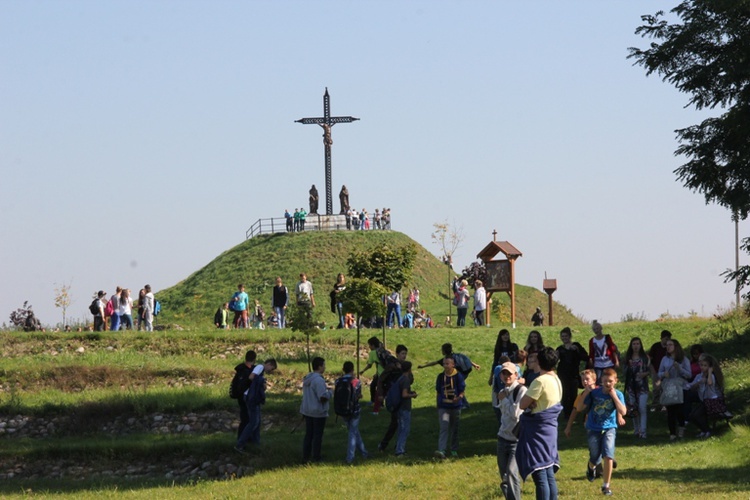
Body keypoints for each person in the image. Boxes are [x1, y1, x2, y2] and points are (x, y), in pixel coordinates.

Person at [516, 346, 563, 500]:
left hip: (538, 431)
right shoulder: (556, 379)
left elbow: (522, 403)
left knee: (539, 473)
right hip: (550, 429)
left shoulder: (540, 381)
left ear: (539, 362)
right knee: (548, 470)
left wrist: (530, 401)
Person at [577, 367, 627, 497]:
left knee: (608, 455)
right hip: (593, 428)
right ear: (601, 380)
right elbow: (579, 407)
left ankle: (606, 486)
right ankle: (591, 466)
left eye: (610, 381)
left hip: (609, 427)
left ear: (615, 381)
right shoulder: (595, 393)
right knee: (595, 456)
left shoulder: (618, 394)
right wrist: (586, 394)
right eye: (605, 381)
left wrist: (614, 396)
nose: (608, 384)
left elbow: (623, 411)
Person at [496, 361, 527, 500]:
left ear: (516, 375)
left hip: (517, 441)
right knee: (504, 477)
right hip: (502, 438)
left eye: (509, 373)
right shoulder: (502, 392)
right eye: (504, 373)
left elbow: (516, 413)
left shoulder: (521, 390)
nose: (507, 376)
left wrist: (504, 400)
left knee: (511, 472)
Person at [235, 358, 278, 452]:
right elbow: (251, 377)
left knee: (257, 422)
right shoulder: (260, 367)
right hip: (251, 398)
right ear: (269, 364)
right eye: (271, 368)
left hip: (253, 398)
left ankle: (256, 443)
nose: (270, 371)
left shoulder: (260, 369)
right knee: (253, 422)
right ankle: (240, 444)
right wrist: (262, 381)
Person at [656, 338, 691, 440]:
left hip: (681, 387)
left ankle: (681, 429)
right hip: (669, 387)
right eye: (667, 345)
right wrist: (663, 374)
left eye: (670, 345)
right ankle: (672, 433)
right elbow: (659, 373)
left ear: (676, 346)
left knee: (680, 410)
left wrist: (679, 368)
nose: (668, 347)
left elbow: (689, 375)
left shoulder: (684, 359)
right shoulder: (664, 359)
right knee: (670, 410)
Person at [377, 345, 409, 452]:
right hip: (393, 396)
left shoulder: (405, 366)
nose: (404, 356)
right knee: (395, 422)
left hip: (403, 396)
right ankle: (383, 444)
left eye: (405, 354)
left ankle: (398, 445)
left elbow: (410, 380)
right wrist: (380, 394)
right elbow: (381, 379)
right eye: (402, 354)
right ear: (397, 354)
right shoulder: (391, 366)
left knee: (401, 423)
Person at [300, 356, 332, 463]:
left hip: (308, 410)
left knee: (309, 434)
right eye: (324, 365)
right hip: (318, 412)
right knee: (317, 435)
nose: (325, 367)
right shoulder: (318, 380)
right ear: (319, 366)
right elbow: (322, 397)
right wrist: (330, 393)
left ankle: (306, 456)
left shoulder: (307, 378)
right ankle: (316, 456)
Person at [336, 361, 368, 464]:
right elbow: (358, 396)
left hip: (342, 410)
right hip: (354, 410)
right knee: (352, 433)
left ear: (343, 369)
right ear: (352, 370)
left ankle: (364, 453)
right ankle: (350, 458)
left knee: (354, 432)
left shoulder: (338, 381)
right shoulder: (356, 382)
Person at [686, 353, 725, 438]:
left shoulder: (712, 376)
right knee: (692, 416)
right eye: (701, 365)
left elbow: (710, 383)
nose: (703, 367)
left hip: (712, 401)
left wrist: (710, 373)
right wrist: (697, 383)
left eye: (705, 365)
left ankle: (707, 430)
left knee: (697, 415)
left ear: (709, 367)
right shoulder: (699, 376)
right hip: (704, 401)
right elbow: (691, 386)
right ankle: (704, 430)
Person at [434, 356, 466, 459]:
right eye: (444, 364)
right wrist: (438, 405)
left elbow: (462, 391)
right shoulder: (440, 377)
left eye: (448, 363)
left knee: (454, 428)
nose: (446, 366)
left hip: (455, 407)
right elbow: (438, 392)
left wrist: (459, 398)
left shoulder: (458, 376)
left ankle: (454, 450)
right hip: (444, 407)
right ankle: (441, 450)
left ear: (453, 364)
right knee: (444, 427)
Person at [556, 327, 589, 419]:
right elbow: (554, 360)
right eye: (562, 336)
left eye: (566, 336)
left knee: (573, 393)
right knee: (565, 394)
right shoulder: (560, 349)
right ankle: (566, 413)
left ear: (570, 336)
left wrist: (577, 350)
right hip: (563, 373)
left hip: (573, 373)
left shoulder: (576, 346)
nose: (564, 338)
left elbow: (585, 357)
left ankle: (574, 412)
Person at [623, 337, 650, 438]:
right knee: (633, 409)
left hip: (642, 387)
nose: (636, 346)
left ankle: (643, 431)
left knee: (642, 408)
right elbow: (624, 372)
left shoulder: (645, 357)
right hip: (631, 387)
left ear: (640, 345)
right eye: (634, 344)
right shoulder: (628, 358)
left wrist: (644, 374)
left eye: (638, 343)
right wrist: (629, 366)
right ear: (631, 345)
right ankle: (636, 430)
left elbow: (649, 371)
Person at [564, 369, 597, 439]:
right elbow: (574, 411)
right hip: (590, 423)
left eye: (587, 379)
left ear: (594, 380)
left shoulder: (601, 391)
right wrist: (568, 427)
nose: (585, 381)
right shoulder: (581, 395)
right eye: (582, 380)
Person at [394, 361, 417, 456]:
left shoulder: (400, 378)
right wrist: (413, 395)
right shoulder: (406, 380)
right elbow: (404, 394)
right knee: (405, 429)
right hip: (404, 407)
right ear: (409, 369)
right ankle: (399, 450)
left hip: (399, 407)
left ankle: (398, 446)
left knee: (401, 428)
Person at [233, 350, 256, 440]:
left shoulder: (240, 369)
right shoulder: (250, 371)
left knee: (244, 418)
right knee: (247, 420)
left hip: (239, 396)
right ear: (254, 359)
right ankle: (243, 439)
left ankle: (243, 438)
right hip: (247, 397)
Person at [359, 337, 386, 414]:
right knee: (374, 386)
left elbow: (370, 365)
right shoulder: (383, 351)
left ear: (373, 345)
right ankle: (378, 403)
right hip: (385, 372)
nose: (369, 347)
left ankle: (376, 405)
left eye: (369, 345)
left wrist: (363, 371)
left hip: (381, 374)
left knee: (378, 390)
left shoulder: (373, 353)